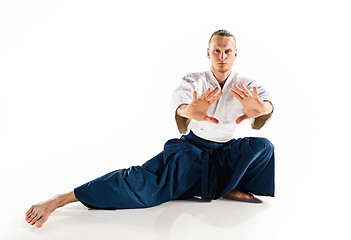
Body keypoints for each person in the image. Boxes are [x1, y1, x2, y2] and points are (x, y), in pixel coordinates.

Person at [25, 29, 275, 228]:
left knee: (263, 147)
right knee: (141, 186)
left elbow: (266, 104)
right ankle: (61, 199)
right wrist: (188, 111)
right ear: (208, 52)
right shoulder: (194, 80)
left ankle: (223, 184)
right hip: (190, 153)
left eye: (227, 51)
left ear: (235, 54)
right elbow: (180, 101)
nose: (222, 57)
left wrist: (262, 109)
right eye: (217, 51)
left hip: (224, 154)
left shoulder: (246, 84)